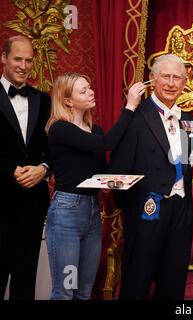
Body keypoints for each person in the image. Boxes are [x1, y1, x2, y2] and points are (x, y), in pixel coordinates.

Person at [45, 72, 145, 299]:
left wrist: (111, 181)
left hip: (91, 212)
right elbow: (106, 143)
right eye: (83, 90)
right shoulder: (60, 128)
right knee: (65, 290)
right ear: (68, 101)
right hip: (67, 215)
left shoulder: (96, 129)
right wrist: (129, 106)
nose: (91, 92)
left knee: (84, 291)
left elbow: (100, 171)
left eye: (90, 87)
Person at [108, 53, 193, 300]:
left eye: (177, 78)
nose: (171, 83)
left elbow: (188, 167)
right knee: (137, 283)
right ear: (152, 79)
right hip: (146, 210)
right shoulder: (135, 117)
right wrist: (134, 209)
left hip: (181, 212)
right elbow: (118, 166)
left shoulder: (189, 121)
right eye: (165, 77)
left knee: (173, 283)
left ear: (184, 83)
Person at [0, 35, 51, 300]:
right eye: (18, 59)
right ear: (4, 58)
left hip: (32, 205)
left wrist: (43, 167)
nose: (23, 65)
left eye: (29, 60)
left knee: (25, 281)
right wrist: (10, 169)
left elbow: (53, 148)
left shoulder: (44, 99)